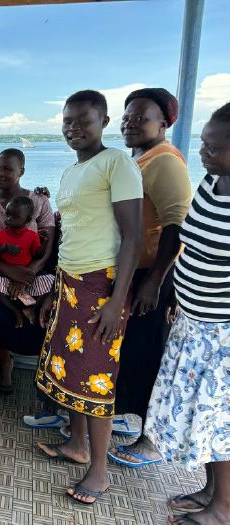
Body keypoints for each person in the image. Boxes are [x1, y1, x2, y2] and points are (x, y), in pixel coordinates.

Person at [35, 90, 142, 505]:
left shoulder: (118, 163)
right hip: (70, 282)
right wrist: (55, 291)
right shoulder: (71, 172)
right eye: (68, 121)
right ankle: (76, 444)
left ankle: (98, 473)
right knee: (71, 369)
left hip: (103, 285)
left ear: (105, 121)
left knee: (97, 378)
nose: (74, 128)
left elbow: (132, 236)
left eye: (84, 121)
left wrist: (117, 300)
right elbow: (71, 232)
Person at [145, 103, 230, 526]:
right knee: (201, 413)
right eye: (203, 143)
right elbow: (189, 241)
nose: (203, 153)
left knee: (220, 421)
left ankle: (223, 509)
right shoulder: (213, 183)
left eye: (213, 147)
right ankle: (211, 490)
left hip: (221, 334)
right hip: (193, 320)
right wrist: (175, 292)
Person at [104, 88, 192, 467]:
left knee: (147, 355)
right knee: (128, 351)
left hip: (150, 274)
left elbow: (177, 225)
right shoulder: (139, 159)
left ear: (164, 122)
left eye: (142, 117)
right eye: (127, 116)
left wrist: (155, 281)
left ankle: (151, 440)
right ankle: (128, 415)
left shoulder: (165, 161)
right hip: (133, 270)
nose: (130, 123)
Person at [0, 148, 56, 394]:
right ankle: (3, 361)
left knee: (43, 307)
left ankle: (44, 368)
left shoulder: (38, 201)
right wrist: (10, 272)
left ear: (22, 171)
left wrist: (26, 273)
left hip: (31, 268)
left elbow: (47, 244)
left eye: (7, 168)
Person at [0, 195, 53, 326]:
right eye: (7, 215)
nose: (9, 219)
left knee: (49, 281)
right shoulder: (0, 235)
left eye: (15, 217)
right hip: (5, 273)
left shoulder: (32, 235)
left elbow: (38, 255)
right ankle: (15, 310)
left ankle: (31, 307)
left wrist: (45, 242)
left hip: (26, 273)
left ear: (27, 220)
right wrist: (4, 248)